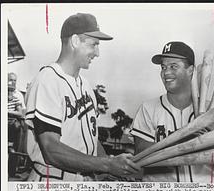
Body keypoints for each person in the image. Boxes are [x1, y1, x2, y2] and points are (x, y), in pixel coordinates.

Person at [25, 13, 139, 181]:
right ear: (75, 41)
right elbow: (51, 149)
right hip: (54, 181)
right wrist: (107, 164)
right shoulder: (47, 79)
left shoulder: (85, 85)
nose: (97, 53)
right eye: (94, 44)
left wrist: (110, 169)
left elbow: (93, 139)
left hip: (84, 181)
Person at [130, 41, 214, 182]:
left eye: (173, 66)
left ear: (190, 71)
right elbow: (140, 153)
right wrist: (183, 142)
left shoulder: (212, 109)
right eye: (163, 67)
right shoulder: (148, 108)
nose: (166, 72)